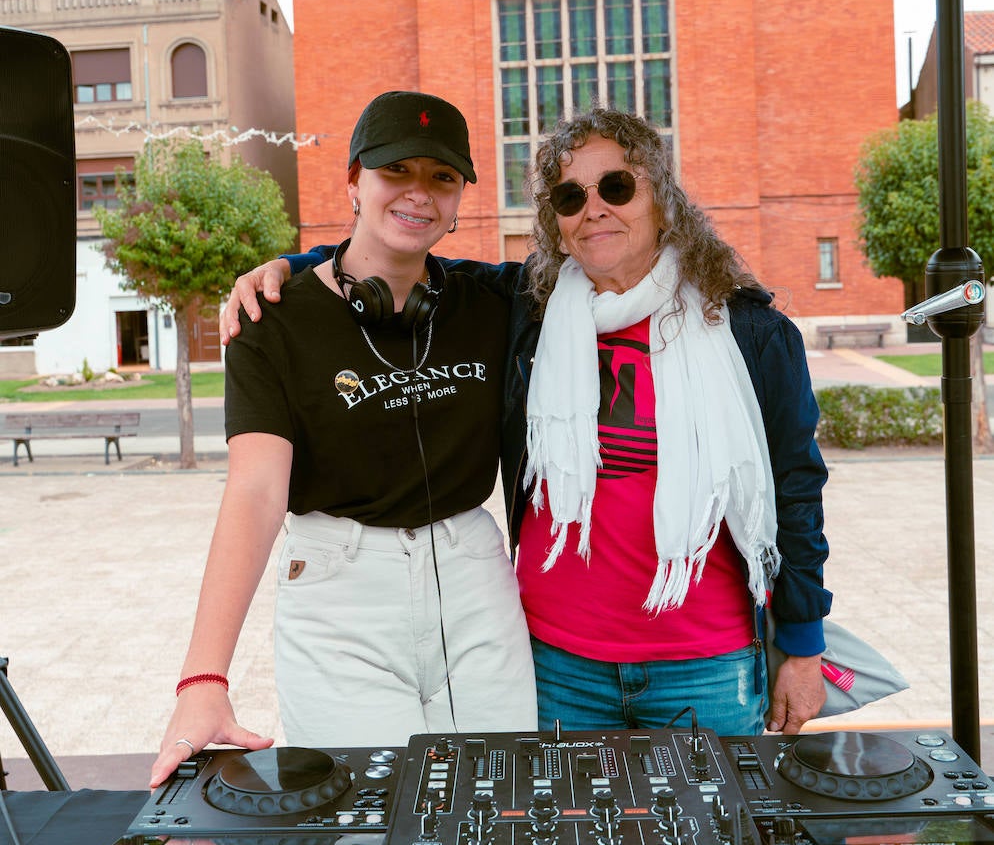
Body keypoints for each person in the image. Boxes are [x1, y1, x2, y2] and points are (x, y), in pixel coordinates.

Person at [223, 107, 830, 738]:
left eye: (617, 187)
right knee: (552, 838)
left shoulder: (750, 333)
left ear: (662, 198)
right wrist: (292, 269)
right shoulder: (529, 309)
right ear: (556, 222)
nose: (594, 208)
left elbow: (796, 490)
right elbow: (383, 260)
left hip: (707, 665)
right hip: (555, 664)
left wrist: (804, 645)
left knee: (700, 838)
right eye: (571, 197)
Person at [150, 90, 537, 789]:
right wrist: (202, 678)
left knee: (497, 802)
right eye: (398, 172)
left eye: (443, 178)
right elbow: (257, 490)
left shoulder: (495, 301)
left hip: (473, 576)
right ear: (354, 180)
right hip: (340, 589)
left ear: (458, 202)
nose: (420, 194)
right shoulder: (272, 318)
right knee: (370, 818)